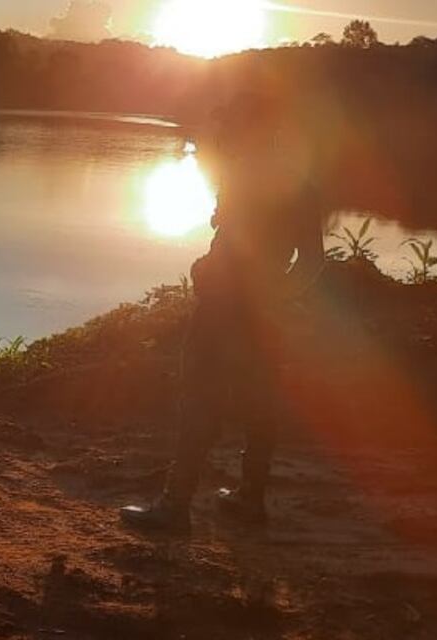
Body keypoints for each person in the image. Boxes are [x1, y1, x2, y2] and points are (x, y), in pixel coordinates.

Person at [120, 93, 326, 533]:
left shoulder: (244, 176)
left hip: (223, 311)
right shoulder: (299, 183)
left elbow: (237, 253)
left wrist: (220, 279)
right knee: (260, 402)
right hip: (264, 314)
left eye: (230, 124)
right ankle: (251, 501)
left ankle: (175, 506)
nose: (222, 132)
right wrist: (277, 295)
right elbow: (312, 259)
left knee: (200, 397)